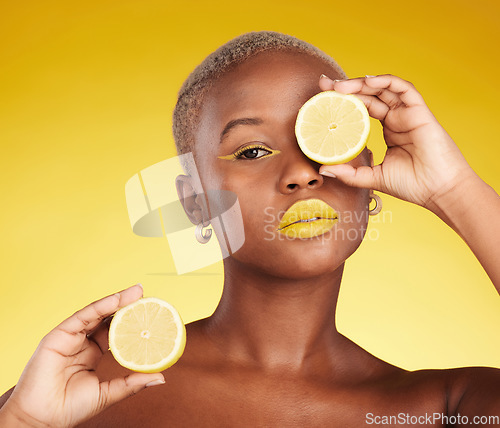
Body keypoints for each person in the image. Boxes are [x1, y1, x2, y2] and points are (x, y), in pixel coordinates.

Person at [1, 31, 499, 427]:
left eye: (322, 137)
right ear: (196, 202)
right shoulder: (87, 392)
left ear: (367, 174)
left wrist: (451, 186)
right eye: (252, 151)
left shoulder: (449, 408)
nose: (303, 173)